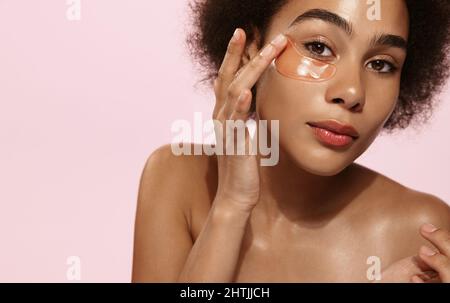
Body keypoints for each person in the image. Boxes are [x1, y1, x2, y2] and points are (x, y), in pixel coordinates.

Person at [132, 0, 450, 282]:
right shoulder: (177, 182)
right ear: (251, 48)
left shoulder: (421, 233)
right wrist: (231, 206)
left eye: (381, 64)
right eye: (319, 48)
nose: (353, 92)